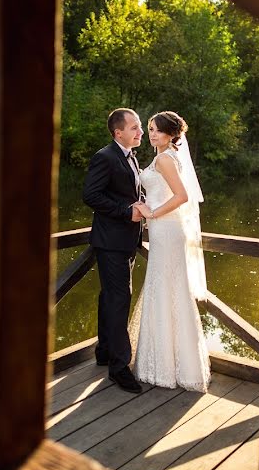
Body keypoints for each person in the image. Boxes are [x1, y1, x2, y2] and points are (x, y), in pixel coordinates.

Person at [131, 111, 210, 392]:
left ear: (172, 135)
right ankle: (167, 363)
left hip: (166, 230)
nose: (152, 134)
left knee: (166, 289)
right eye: (150, 129)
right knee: (166, 289)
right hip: (165, 231)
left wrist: (151, 213)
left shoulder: (165, 159)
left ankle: (166, 367)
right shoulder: (164, 157)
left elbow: (182, 196)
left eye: (158, 130)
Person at [82, 108, 145, 393]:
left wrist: (142, 206)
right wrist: (125, 212)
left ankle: (104, 353)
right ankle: (120, 369)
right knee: (120, 300)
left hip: (126, 241)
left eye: (140, 127)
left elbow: (130, 194)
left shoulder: (131, 156)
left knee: (111, 297)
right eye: (134, 127)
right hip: (110, 242)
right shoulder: (105, 156)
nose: (140, 131)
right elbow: (91, 195)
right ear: (118, 132)